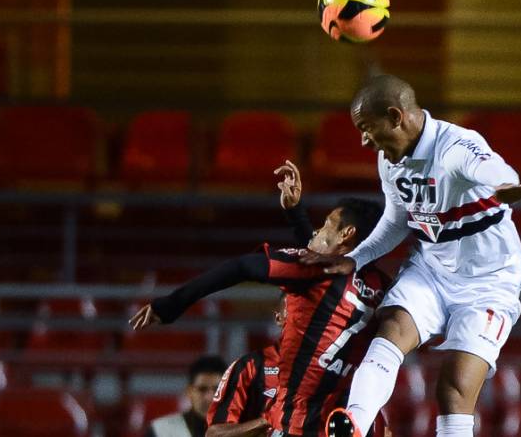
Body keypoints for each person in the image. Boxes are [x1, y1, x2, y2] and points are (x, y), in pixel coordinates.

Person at [311, 75, 521, 437]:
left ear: (396, 117)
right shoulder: (391, 161)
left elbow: (489, 167)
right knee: (392, 329)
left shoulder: (455, 145)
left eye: (367, 128)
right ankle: (354, 424)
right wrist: (358, 257)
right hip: (431, 269)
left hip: (488, 284)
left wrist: (504, 184)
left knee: (454, 390)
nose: (364, 141)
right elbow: (397, 221)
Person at [131, 160, 391, 437]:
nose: (317, 232)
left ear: (347, 234)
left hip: (295, 426)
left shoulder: (318, 271)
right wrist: (296, 215)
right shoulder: (383, 287)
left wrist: (170, 306)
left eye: (327, 224)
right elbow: (327, 287)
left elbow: (244, 267)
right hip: (344, 423)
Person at [205, 294, 286, 437]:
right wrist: (268, 420)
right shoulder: (250, 366)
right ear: (279, 318)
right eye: (297, 314)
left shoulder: (333, 369)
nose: (305, 322)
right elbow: (215, 434)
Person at [145, 355, 228, 437]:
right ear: (189, 391)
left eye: (217, 390)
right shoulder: (161, 431)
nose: (209, 397)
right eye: (202, 389)